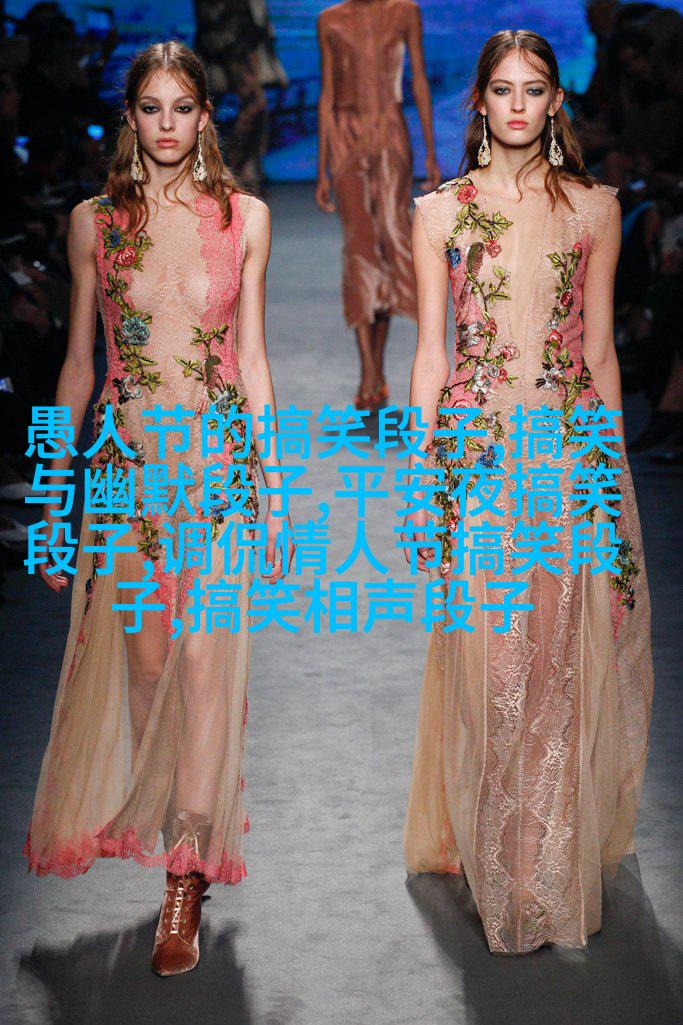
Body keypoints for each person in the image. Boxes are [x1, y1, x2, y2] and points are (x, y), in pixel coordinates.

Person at [22, 39, 294, 977]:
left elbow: (252, 361)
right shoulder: (94, 223)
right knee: (147, 671)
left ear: (206, 116)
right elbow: (77, 366)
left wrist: (276, 490)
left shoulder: (245, 219)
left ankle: (185, 872)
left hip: (216, 472)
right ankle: (175, 818)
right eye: (151, 108)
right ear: (130, 117)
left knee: (208, 668)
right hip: (126, 472)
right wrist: (51, 497)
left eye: (183, 107)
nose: (168, 124)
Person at [401, 29, 654, 955]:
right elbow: (431, 355)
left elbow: (599, 352)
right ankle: (502, 852)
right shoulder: (440, 213)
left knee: (552, 661)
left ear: (555, 101)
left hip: (562, 456)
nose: (516, 105)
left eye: (533, 88)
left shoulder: (594, 209)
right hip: (473, 460)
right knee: (492, 664)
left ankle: (538, 860)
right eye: (501, 89)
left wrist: (611, 478)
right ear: (478, 101)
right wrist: (417, 477)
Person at [316, 0, 440, 411]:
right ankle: (368, 368)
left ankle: (377, 367)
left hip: (390, 133)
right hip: (345, 136)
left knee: (389, 245)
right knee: (360, 246)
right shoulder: (329, 20)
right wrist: (322, 169)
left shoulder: (405, 12)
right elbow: (327, 95)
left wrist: (431, 154)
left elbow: (418, 80)